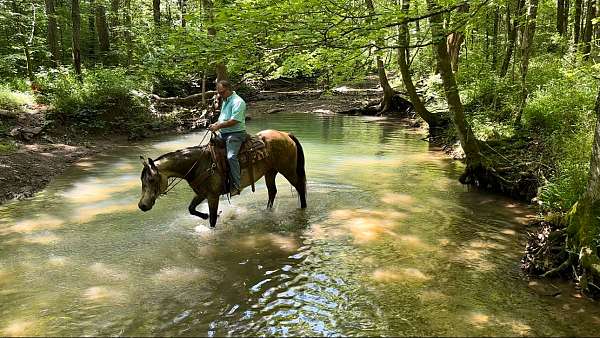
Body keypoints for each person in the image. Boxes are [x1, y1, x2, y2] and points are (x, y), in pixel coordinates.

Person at [208, 80, 246, 196]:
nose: (220, 95)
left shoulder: (238, 101)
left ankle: (236, 185)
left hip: (236, 133)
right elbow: (223, 118)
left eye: (222, 92)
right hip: (223, 133)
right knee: (208, 152)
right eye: (219, 92)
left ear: (228, 89)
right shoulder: (225, 100)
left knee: (231, 157)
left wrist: (218, 126)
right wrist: (215, 125)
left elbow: (234, 121)